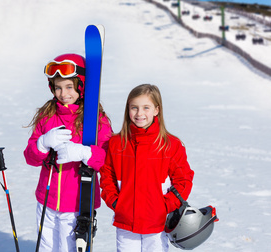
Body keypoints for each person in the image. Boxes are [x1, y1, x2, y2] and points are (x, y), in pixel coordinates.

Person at [24, 53, 112, 252]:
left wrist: (84, 153)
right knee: (45, 247)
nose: (63, 93)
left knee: (67, 248)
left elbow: (108, 160)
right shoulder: (47, 115)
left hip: (76, 203)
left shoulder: (96, 119)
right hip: (46, 199)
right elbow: (30, 157)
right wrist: (42, 143)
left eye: (69, 87)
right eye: (58, 87)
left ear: (81, 86)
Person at [100, 84, 194, 252]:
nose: (139, 113)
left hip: (156, 224)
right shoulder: (116, 143)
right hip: (125, 221)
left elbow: (184, 179)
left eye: (146, 108)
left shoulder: (170, 145)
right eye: (134, 107)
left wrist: (165, 206)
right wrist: (115, 202)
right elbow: (107, 176)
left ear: (156, 110)